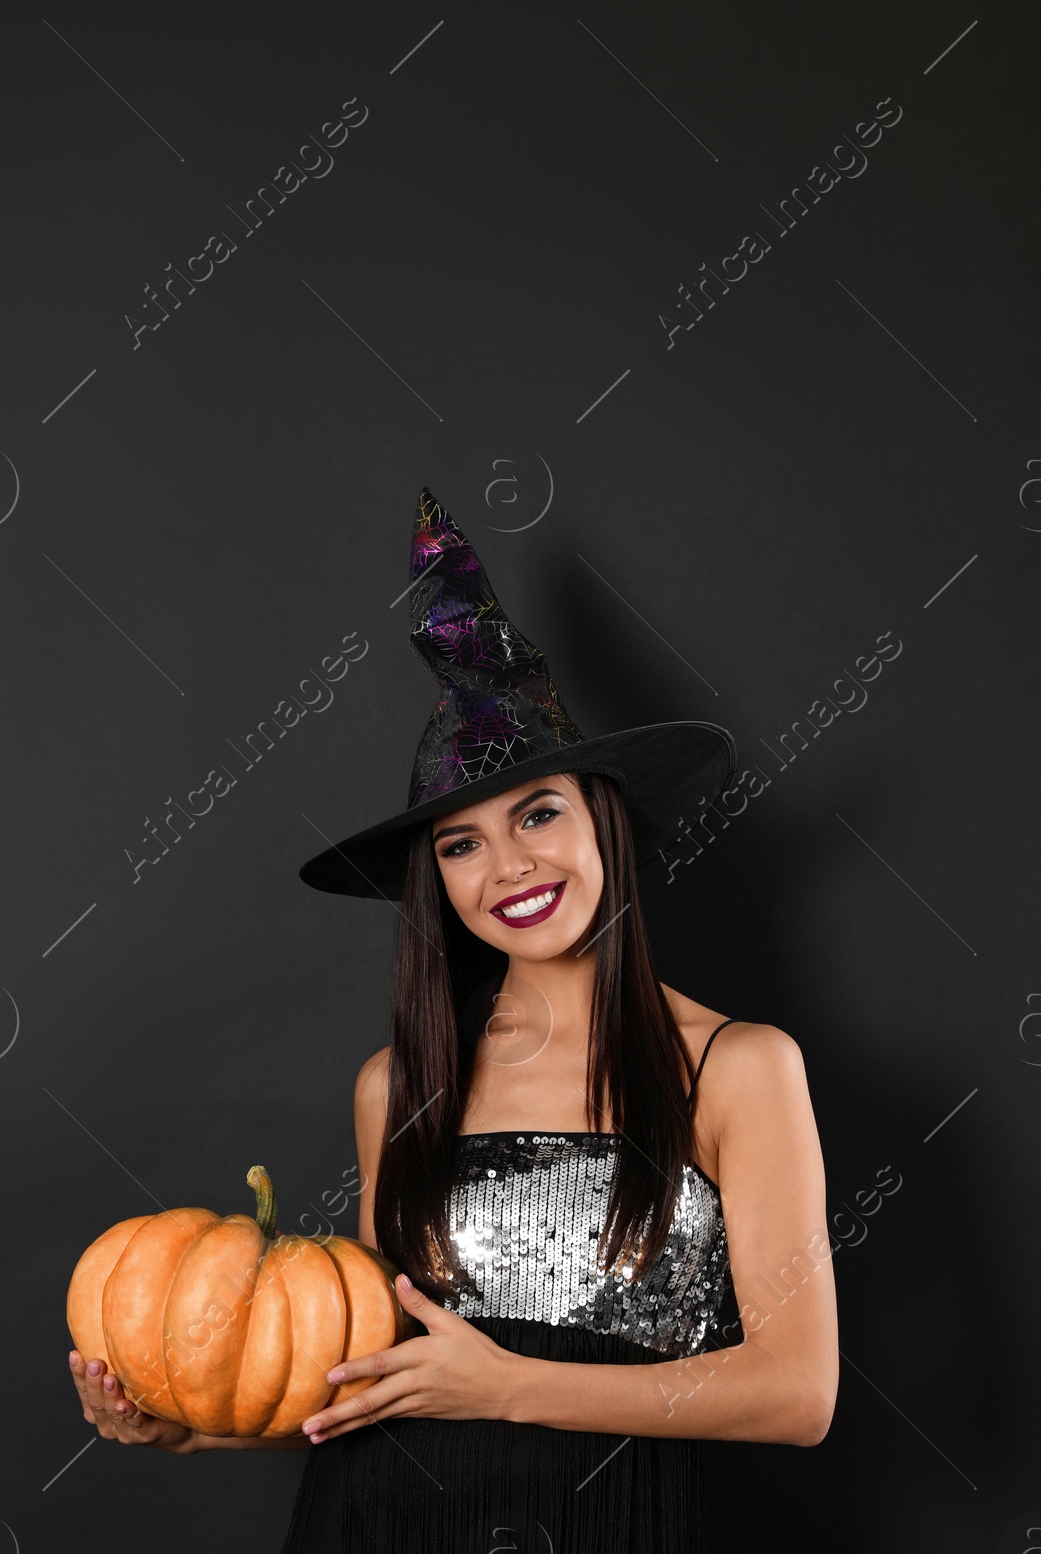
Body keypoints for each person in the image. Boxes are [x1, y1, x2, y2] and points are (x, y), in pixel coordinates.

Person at [67, 492, 838, 1552]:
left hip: (616, 1522)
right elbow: (388, 1380)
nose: (507, 867)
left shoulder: (737, 1066)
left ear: (603, 815)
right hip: (381, 1523)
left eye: (537, 813)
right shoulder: (397, 1085)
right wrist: (193, 1430)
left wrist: (511, 1384)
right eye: (459, 844)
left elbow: (796, 1393)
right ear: (436, 881)